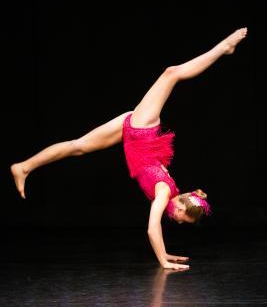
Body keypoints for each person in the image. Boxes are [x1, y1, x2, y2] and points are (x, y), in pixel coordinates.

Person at [10, 27, 248, 270]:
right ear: (179, 205)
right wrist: (164, 261)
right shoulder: (165, 192)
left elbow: (155, 169)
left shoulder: (169, 189)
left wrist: (168, 253)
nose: (177, 222)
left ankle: (24, 167)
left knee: (77, 146)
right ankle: (223, 47)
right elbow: (151, 228)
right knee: (171, 74)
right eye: (181, 218)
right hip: (141, 129)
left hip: (133, 134)